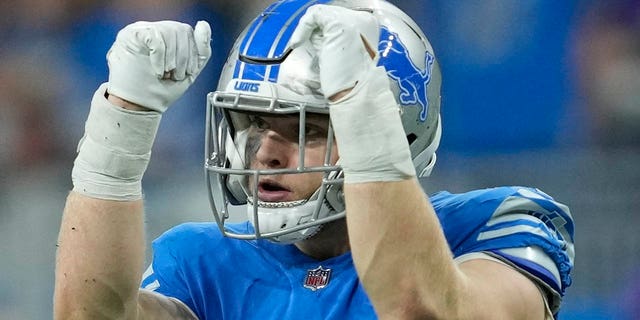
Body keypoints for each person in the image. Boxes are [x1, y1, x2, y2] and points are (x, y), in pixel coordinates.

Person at [54, 0, 575, 319]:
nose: (267, 152)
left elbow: (424, 310)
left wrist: (361, 108)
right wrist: (118, 130)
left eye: (310, 128)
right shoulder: (202, 261)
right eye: (255, 123)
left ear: (397, 130)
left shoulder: (495, 226)